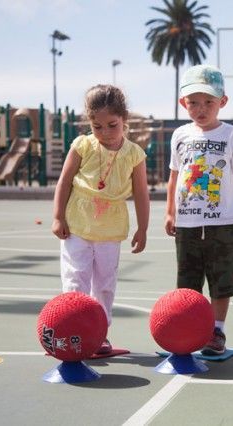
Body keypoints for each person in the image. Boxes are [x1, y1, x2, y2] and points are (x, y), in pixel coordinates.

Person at [164, 64, 233, 355]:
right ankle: (189, 329)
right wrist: (169, 212)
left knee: (222, 280)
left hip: (223, 223)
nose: (200, 109)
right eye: (193, 102)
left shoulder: (231, 136)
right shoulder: (179, 135)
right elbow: (174, 177)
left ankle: (217, 331)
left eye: (208, 102)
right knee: (188, 281)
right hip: (187, 225)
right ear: (183, 103)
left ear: (222, 102)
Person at [52, 84, 149, 355]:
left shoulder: (134, 154)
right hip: (77, 225)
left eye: (112, 125)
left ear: (124, 119)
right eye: (97, 126)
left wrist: (143, 228)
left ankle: (98, 336)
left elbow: (141, 193)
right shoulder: (82, 145)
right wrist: (58, 217)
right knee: (75, 280)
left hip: (110, 228)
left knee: (105, 285)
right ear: (89, 123)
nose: (105, 132)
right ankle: (72, 332)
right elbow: (65, 180)